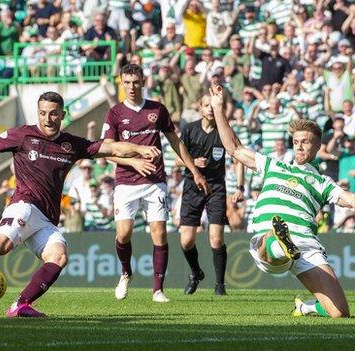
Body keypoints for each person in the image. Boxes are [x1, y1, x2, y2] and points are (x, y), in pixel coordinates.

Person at [0, 91, 162, 317]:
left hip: (46, 218)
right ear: (38, 112)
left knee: (58, 257)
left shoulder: (72, 145)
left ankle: (21, 304)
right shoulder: (22, 136)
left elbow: (112, 148)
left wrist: (138, 150)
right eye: (43, 112)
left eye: (54, 113)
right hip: (24, 205)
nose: (48, 118)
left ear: (62, 114)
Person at [210, 84, 355, 318]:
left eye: (306, 141)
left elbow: (349, 200)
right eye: (296, 141)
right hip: (266, 240)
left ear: (318, 146)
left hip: (306, 247)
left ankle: (305, 307)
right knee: (273, 244)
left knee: (340, 313)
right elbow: (235, 149)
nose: (299, 145)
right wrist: (218, 107)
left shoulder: (323, 182)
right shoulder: (273, 165)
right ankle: (278, 241)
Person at [102, 64, 209, 303]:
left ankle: (158, 290)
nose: (131, 87)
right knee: (124, 233)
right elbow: (107, 152)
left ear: (143, 82)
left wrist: (195, 171)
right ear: (121, 83)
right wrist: (134, 163)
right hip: (126, 181)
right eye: (127, 82)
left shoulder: (157, 110)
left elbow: (176, 143)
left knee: (159, 234)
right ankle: (126, 272)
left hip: (155, 181)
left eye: (135, 82)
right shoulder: (115, 113)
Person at [176, 94, 244, 296]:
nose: (210, 109)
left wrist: (240, 187)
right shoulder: (189, 129)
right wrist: (192, 163)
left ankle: (220, 286)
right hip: (192, 186)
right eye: (206, 106)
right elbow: (177, 159)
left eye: (212, 106)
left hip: (215, 187)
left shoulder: (224, 132)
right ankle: (196, 273)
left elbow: (239, 156)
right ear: (200, 107)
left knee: (216, 238)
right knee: (186, 241)